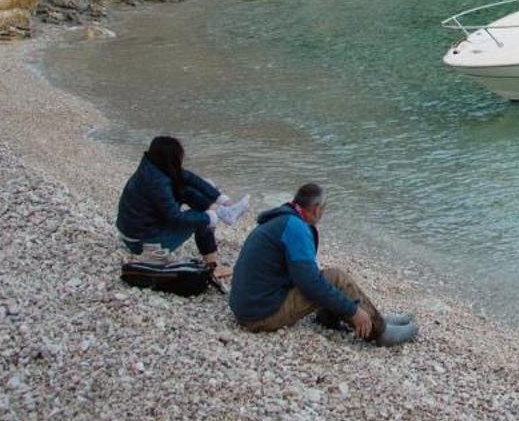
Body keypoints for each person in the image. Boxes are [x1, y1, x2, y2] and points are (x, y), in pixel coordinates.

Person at [229, 183, 418, 347]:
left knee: (320, 275)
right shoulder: (296, 228)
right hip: (260, 315)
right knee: (335, 278)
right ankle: (381, 333)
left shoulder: (283, 220)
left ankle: (349, 318)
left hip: (249, 305)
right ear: (317, 209)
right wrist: (352, 311)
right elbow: (309, 283)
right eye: (324, 208)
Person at [116, 136, 250, 281]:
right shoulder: (158, 182)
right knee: (201, 218)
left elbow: (188, 177)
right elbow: (175, 218)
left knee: (185, 189)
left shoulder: (152, 166)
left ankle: (225, 212)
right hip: (141, 242)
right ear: (171, 158)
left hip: (132, 232)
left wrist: (222, 198)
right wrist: (208, 217)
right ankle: (214, 266)